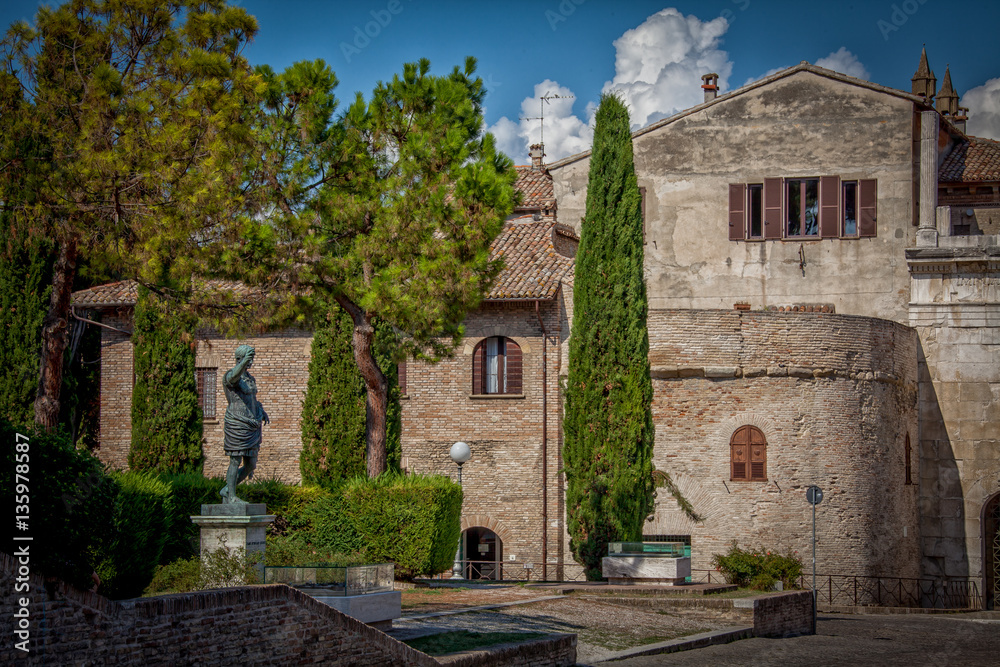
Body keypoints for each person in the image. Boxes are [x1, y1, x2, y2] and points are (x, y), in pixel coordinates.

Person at [219, 344, 269, 503]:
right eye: (248, 358)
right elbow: (234, 377)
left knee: (251, 465)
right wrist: (242, 364)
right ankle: (232, 497)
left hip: (252, 426)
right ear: (239, 359)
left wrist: (261, 410)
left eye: (252, 358)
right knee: (235, 460)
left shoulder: (250, 378)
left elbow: (252, 399)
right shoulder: (231, 377)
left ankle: (227, 489)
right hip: (237, 424)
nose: (251, 362)